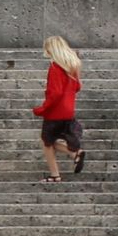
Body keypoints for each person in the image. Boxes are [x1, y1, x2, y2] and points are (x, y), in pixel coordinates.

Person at [30, 35, 86, 182]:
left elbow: (55, 93)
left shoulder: (55, 67)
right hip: (68, 111)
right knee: (50, 141)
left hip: (55, 112)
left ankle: (57, 173)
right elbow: (77, 87)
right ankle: (74, 154)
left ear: (52, 49)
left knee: (46, 142)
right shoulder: (73, 66)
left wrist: (43, 109)